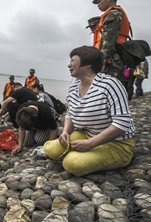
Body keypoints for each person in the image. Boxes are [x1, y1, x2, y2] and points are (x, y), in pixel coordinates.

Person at [37, 46, 135, 177]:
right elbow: (70, 113)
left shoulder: (110, 84)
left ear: (87, 64)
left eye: (72, 60)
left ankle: (112, 157)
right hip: (87, 134)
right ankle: (50, 150)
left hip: (117, 143)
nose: (69, 65)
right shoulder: (73, 87)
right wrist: (65, 131)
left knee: (71, 163)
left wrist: (90, 144)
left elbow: (123, 123)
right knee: (53, 149)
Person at [92, 0, 131, 82]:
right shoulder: (114, 13)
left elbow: (109, 40)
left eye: (100, 1)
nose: (98, 4)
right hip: (113, 58)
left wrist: (102, 62)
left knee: (107, 90)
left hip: (112, 61)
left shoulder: (113, 14)